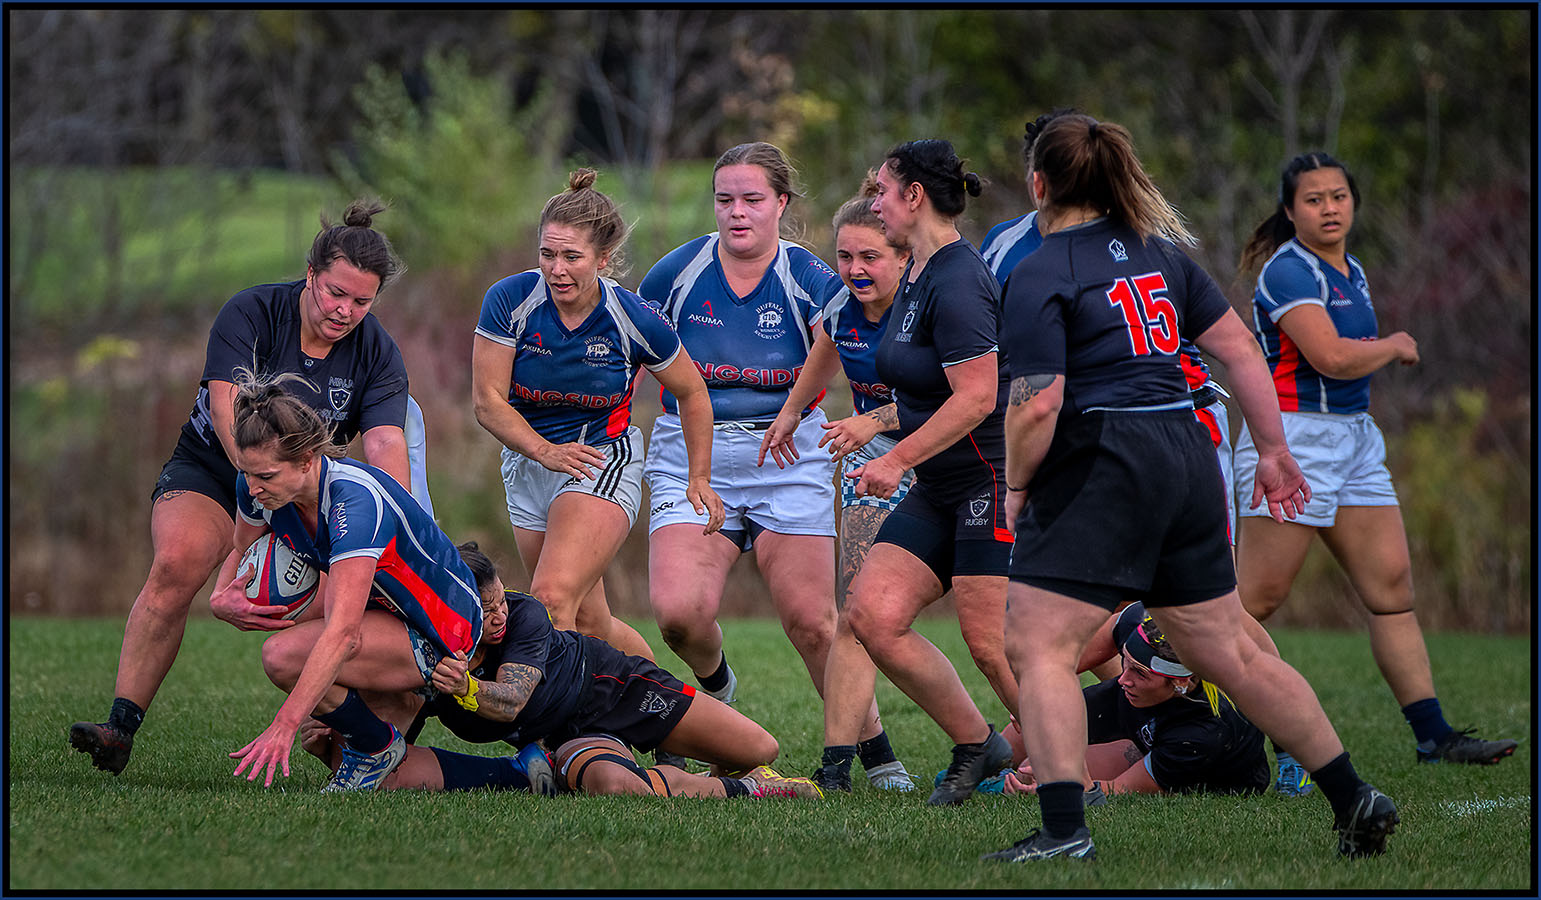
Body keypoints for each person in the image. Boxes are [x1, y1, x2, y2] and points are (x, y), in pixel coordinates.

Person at [992, 113, 1398, 863]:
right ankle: (1352, 796)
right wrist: (1271, 450)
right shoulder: (1160, 251)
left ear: (1037, 182)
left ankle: (1060, 832)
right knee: (1229, 654)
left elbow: (1039, 400)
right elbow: (1238, 350)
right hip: (1186, 451)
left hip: (1103, 459)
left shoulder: (1036, 270)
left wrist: (1017, 484)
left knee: (1037, 645)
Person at [69, 201, 415, 777]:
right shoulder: (252, 312)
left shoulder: (377, 352)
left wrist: (388, 519)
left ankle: (363, 738)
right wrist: (253, 500)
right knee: (178, 563)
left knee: (345, 610)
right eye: (335, 293)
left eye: (361, 301)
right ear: (311, 276)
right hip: (212, 469)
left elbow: (384, 446)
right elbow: (229, 414)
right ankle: (119, 728)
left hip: (309, 493)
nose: (345, 311)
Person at [1234, 152, 1516, 780]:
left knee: (1391, 592)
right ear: (1289, 211)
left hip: (1355, 439)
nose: (1329, 208)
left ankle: (1433, 735)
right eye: (1313, 199)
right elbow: (1331, 358)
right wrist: (1394, 344)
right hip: (1293, 440)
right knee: (1252, 601)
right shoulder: (1288, 271)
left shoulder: (1352, 269)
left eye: (1339, 196)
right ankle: (1217, 730)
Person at [637, 142, 885, 758]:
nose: (736, 213)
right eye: (724, 200)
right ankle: (717, 686)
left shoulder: (812, 279)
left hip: (789, 458)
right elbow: (627, 361)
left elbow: (865, 365)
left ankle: (875, 750)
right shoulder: (674, 275)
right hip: (691, 456)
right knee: (678, 615)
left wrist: (872, 424)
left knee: (812, 622)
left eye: (751, 199)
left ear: (781, 203)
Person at [472, 168, 724, 661]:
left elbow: (693, 393)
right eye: (547, 254)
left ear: (603, 259)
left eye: (571, 257)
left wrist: (699, 476)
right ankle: (665, 708)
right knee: (591, 622)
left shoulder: (633, 318)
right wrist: (543, 452)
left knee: (549, 604)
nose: (556, 269)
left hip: (601, 460)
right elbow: (487, 402)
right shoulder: (509, 300)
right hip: (529, 464)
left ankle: (554, 738)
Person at [843, 139, 1019, 807]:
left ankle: (1070, 772)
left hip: (985, 481)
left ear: (913, 196)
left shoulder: (958, 278)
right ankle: (980, 745)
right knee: (871, 614)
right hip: (939, 486)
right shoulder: (916, 270)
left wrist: (893, 457)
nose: (874, 202)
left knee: (992, 644)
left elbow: (977, 397)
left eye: (883, 191)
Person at [212, 369, 484, 792]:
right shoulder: (258, 484)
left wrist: (284, 724)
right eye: (246, 473)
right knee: (360, 767)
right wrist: (219, 598)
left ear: (307, 461)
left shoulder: (354, 506)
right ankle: (379, 743)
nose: (253, 487)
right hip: (382, 610)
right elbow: (241, 548)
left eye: (265, 477)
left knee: (284, 657)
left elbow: (343, 635)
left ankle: (383, 742)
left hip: (441, 628)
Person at [382, 541, 821, 799]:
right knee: (618, 788)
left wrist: (466, 688)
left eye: (501, 601)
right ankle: (746, 789)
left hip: (615, 689)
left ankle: (706, 767)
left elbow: (512, 701)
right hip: (570, 737)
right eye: (487, 609)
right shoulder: (428, 651)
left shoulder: (525, 614)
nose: (500, 616)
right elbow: (402, 722)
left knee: (760, 748)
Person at [757, 174, 917, 792]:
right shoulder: (839, 306)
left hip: (950, 461)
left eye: (870, 257)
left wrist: (870, 419)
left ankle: (1027, 747)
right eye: (845, 256)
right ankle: (840, 772)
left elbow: (960, 396)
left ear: (905, 256)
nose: (854, 269)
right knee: (853, 612)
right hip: (871, 459)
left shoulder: (932, 306)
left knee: (996, 630)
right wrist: (792, 412)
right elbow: (825, 348)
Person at [1004, 603, 1268, 798]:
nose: (1122, 678)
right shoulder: (1142, 623)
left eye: (1139, 673)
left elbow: (1117, 790)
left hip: (1181, 757)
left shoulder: (1200, 735)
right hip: (1142, 709)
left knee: (1038, 771)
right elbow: (1099, 636)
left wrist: (1053, 790)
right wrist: (1040, 687)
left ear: (1179, 682)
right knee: (1032, 722)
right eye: (1125, 662)